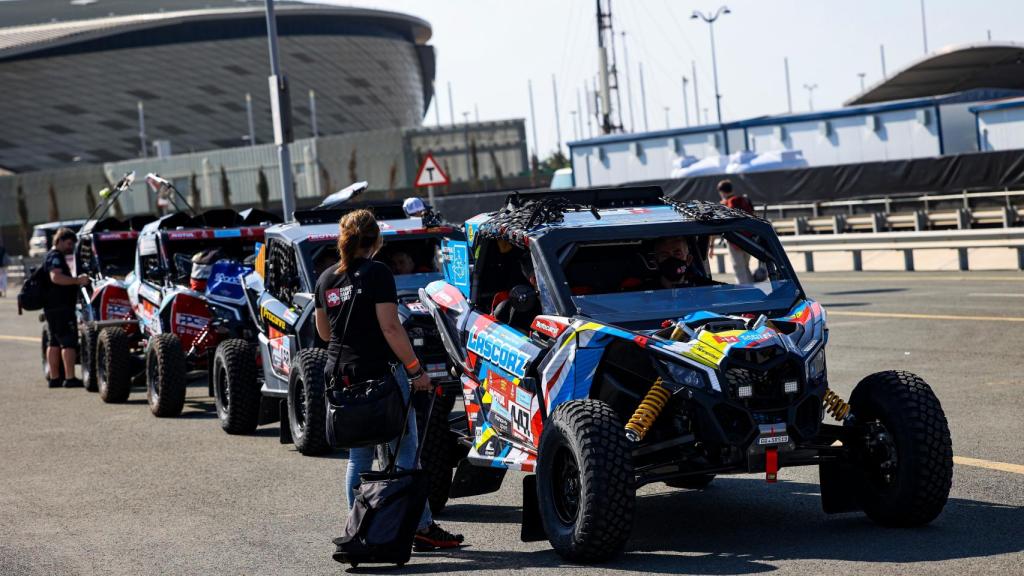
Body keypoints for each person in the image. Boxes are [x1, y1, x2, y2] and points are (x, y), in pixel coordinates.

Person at [313, 209, 463, 552]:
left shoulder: (326, 279)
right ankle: (420, 528)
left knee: (359, 458)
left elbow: (324, 333)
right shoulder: (378, 272)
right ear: (376, 240)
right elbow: (390, 327)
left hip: (342, 379)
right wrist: (416, 370)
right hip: (380, 375)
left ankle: (361, 529)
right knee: (405, 454)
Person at [44, 227, 89, 388]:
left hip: (52, 307)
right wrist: (77, 280)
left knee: (54, 343)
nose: (71, 247)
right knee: (68, 343)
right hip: (60, 307)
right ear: (60, 241)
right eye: (69, 244)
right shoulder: (55, 257)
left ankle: (55, 378)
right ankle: (70, 378)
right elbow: (55, 277)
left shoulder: (50, 256)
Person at [718, 179, 755, 284]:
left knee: (738, 267)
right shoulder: (744, 199)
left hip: (734, 240)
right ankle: (752, 288)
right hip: (748, 238)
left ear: (721, 192)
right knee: (746, 266)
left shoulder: (726, 203)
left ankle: (744, 291)